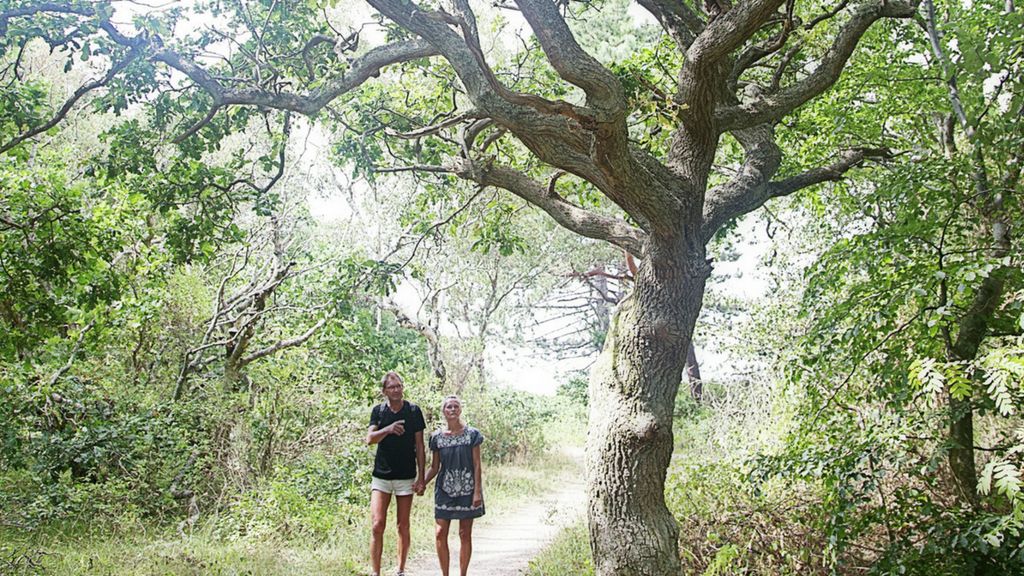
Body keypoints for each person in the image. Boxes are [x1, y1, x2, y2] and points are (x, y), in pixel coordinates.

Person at [366, 371, 426, 576]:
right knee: (377, 524)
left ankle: (400, 570)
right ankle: (376, 572)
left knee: (403, 525)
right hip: (381, 476)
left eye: (399, 386)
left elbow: (420, 445)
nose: (396, 390)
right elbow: (370, 439)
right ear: (384, 391)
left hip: (405, 476)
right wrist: (388, 429)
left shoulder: (413, 411)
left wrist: (421, 477)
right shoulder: (379, 411)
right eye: (392, 387)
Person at [423, 395, 485, 576]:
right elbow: (434, 467)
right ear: (443, 411)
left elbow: (477, 465)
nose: (452, 410)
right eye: (449, 407)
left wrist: (477, 492)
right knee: (440, 533)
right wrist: (421, 483)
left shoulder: (472, 435)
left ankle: (463, 573)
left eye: (455, 406)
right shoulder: (437, 437)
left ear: (460, 410)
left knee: (465, 533)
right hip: (444, 490)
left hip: (468, 490)